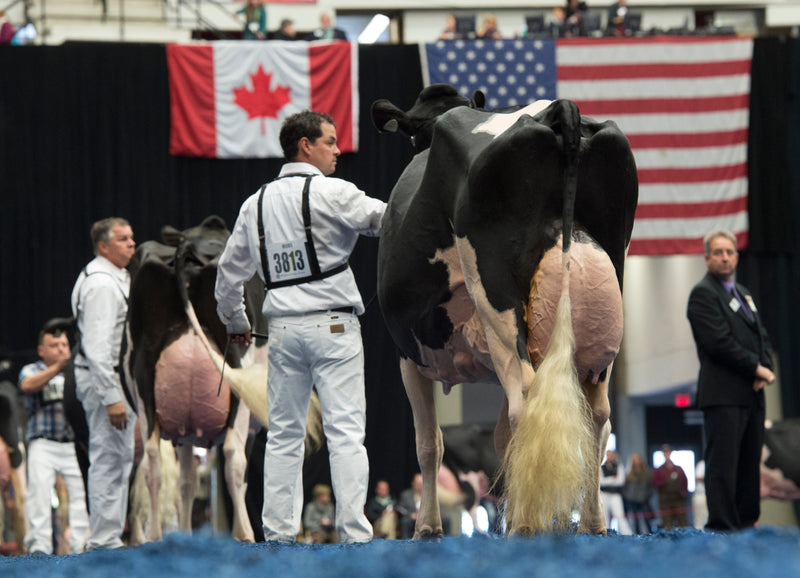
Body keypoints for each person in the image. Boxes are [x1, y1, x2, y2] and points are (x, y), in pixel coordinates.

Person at [214, 110, 385, 544]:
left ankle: (278, 535)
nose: (337, 150)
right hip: (334, 327)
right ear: (305, 146)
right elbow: (387, 220)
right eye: (330, 141)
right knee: (346, 433)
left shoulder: (254, 204)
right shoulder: (333, 192)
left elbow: (228, 275)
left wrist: (236, 321)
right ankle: (354, 534)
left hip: (283, 332)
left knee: (283, 435)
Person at [687, 229, 775, 531]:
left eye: (729, 252)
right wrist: (757, 369)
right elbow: (719, 343)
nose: (725, 258)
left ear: (737, 257)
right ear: (707, 258)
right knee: (723, 465)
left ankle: (747, 523)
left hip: (752, 393)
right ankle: (723, 526)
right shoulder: (702, 294)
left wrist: (765, 366)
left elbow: (761, 336)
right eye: (718, 252)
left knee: (750, 465)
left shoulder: (744, 294)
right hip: (723, 395)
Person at [71, 217, 136, 550]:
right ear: (103, 246)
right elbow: (97, 349)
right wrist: (112, 397)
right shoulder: (101, 284)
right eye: (123, 239)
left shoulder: (113, 277)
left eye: (132, 237)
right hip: (104, 378)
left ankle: (109, 536)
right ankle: (103, 540)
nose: (132, 243)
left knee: (118, 457)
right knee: (109, 456)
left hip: (114, 376)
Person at [18, 321, 89, 554]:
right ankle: (39, 545)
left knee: (81, 493)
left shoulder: (79, 371)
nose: (61, 349)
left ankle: (80, 543)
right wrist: (57, 368)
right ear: (42, 350)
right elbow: (27, 385)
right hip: (42, 443)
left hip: (72, 444)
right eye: (54, 345)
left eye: (65, 345)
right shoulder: (32, 369)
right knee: (38, 494)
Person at [651, 444, 689, 530]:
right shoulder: (659, 470)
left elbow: (685, 481)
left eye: (668, 452)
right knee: (667, 523)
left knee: (682, 522)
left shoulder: (678, 469)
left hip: (678, 498)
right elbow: (654, 483)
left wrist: (684, 492)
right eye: (664, 452)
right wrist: (663, 481)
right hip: (665, 500)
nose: (666, 454)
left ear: (670, 452)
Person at [599, 449, 632, 535]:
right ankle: (605, 533)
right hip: (604, 494)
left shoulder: (619, 467)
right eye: (607, 455)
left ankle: (626, 533)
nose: (609, 457)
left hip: (615, 494)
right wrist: (612, 479)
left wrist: (608, 480)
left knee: (619, 515)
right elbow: (600, 481)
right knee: (604, 516)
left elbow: (621, 481)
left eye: (611, 455)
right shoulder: (601, 467)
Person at [622, 452, 653, 534]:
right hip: (632, 499)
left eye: (637, 458)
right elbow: (625, 487)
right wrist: (627, 496)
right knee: (635, 520)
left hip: (643, 499)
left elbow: (650, 486)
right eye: (634, 459)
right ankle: (637, 534)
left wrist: (647, 495)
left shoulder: (646, 472)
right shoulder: (628, 472)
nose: (636, 461)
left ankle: (651, 534)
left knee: (647, 519)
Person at [397, 472, 422, 540]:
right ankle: (406, 543)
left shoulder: (429, 495)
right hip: (411, 520)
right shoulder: (406, 494)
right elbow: (401, 508)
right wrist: (410, 514)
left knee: (444, 520)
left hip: (425, 520)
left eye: (421, 484)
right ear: (413, 483)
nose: (420, 486)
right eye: (418, 483)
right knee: (405, 521)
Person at [693, 460, 708, 530]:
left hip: (709, 495)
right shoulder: (702, 464)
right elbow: (698, 477)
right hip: (701, 494)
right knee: (699, 519)